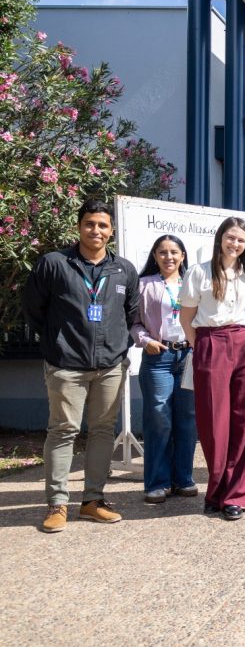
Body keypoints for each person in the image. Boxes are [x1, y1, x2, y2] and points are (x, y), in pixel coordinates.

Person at [23, 198, 140, 532]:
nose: (96, 230)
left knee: (103, 431)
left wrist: (118, 347)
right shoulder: (54, 264)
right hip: (66, 365)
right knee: (63, 431)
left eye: (103, 225)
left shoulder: (123, 270)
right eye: (90, 223)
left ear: (112, 231)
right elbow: (34, 310)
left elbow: (130, 314)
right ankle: (57, 504)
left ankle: (92, 501)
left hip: (110, 366)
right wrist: (55, 345)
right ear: (79, 226)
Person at [178, 216, 245, 521]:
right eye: (231, 237)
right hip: (211, 342)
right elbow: (186, 317)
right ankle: (216, 490)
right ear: (220, 238)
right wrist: (197, 345)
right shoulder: (199, 272)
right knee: (214, 423)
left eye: (241, 240)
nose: (235, 244)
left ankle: (236, 495)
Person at [131, 234, 197, 504]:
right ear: (155, 256)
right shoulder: (143, 284)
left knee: (187, 419)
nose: (169, 257)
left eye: (174, 252)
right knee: (159, 417)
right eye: (163, 252)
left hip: (189, 355)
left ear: (182, 255)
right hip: (159, 356)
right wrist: (145, 341)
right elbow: (133, 322)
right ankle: (157, 482)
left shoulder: (192, 283)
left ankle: (183, 478)